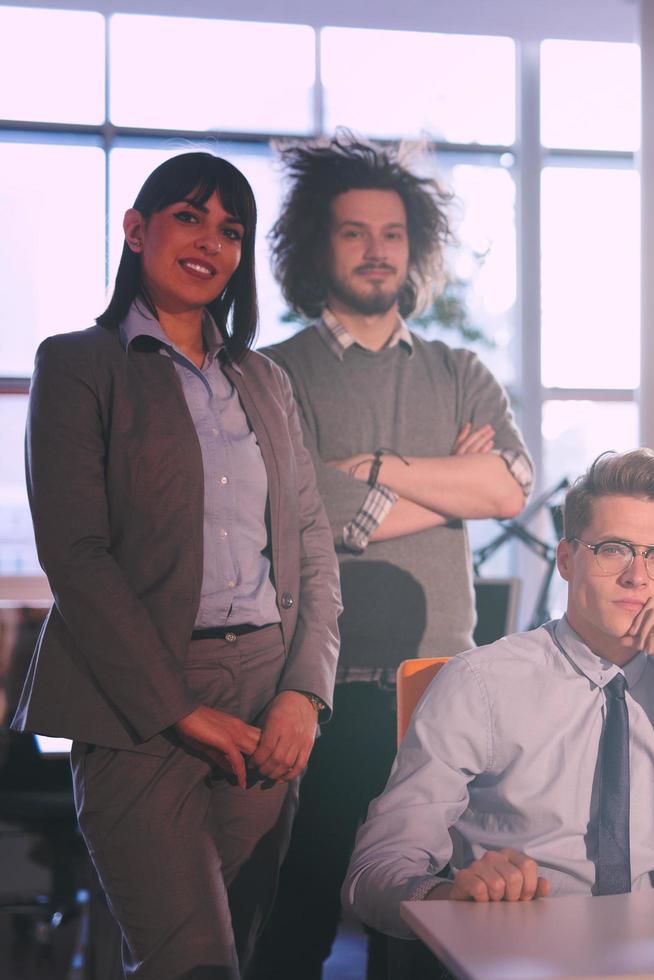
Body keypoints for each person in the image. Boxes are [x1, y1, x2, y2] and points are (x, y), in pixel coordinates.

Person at [13, 152, 342, 979]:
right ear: (136, 229)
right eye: (189, 217)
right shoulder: (79, 365)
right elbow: (77, 558)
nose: (210, 243)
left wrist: (304, 694)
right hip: (141, 705)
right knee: (191, 963)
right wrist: (181, 710)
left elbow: (310, 546)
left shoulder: (264, 380)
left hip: (269, 696)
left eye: (230, 229)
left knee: (246, 949)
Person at [248, 134, 532, 979]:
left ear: (415, 249)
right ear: (316, 245)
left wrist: (362, 476)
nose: (377, 250)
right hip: (315, 693)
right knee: (293, 921)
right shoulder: (272, 375)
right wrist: (450, 490)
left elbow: (510, 489)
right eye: (353, 232)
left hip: (442, 689)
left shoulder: (458, 369)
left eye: (393, 233)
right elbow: (289, 514)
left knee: (418, 932)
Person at [342, 449, 654, 936]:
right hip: (517, 950)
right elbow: (373, 874)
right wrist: (451, 895)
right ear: (566, 560)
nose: (637, 575)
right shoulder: (480, 683)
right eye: (614, 548)